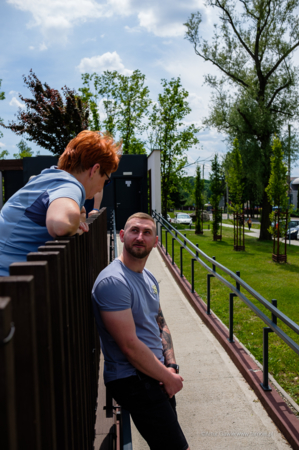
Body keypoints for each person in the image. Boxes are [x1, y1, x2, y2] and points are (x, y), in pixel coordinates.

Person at [92, 213, 190, 450]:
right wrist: (167, 378)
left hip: (155, 374)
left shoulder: (148, 278)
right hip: (131, 379)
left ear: (156, 242)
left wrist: (171, 367)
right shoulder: (114, 282)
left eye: (147, 233)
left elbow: (160, 323)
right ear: (122, 236)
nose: (140, 237)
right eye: (134, 231)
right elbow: (130, 347)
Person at [0, 130, 121, 276]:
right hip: (9, 286)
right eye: (106, 180)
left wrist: (80, 217)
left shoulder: (49, 176)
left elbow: (80, 210)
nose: (102, 187)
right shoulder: (69, 185)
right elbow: (61, 225)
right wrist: (76, 226)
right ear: (95, 170)